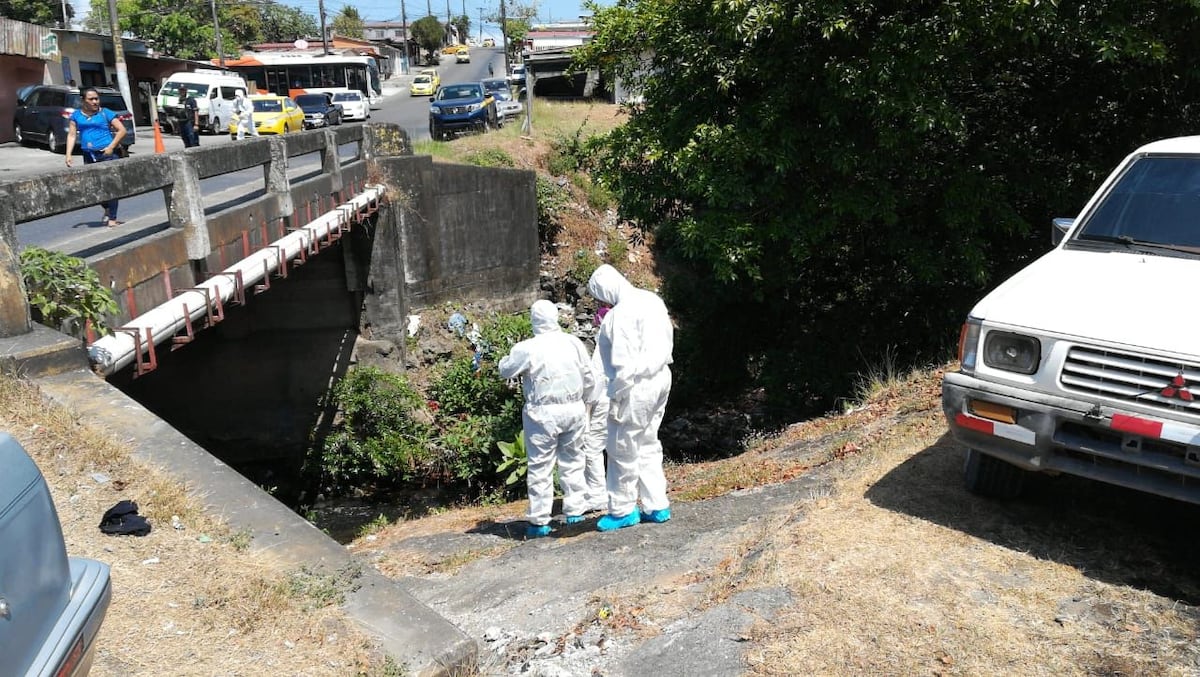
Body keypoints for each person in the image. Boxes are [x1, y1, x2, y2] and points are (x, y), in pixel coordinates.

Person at [498, 300, 596, 538]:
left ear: (533, 319)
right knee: (573, 460)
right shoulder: (573, 342)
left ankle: (540, 520)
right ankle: (575, 511)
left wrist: (502, 360)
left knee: (540, 466)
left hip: (542, 412)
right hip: (573, 407)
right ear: (555, 317)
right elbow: (589, 376)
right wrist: (586, 401)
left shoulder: (527, 348)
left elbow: (506, 370)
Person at [587, 264, 674, 531]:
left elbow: (622, 363)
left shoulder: (618, 315)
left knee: (621, 446)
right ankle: (656, 504)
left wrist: (616, 396)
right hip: (661, 376)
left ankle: (623, 509)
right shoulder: (652, 299)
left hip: (635, 385)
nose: (601, 302)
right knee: (647, 441)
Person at [64, 86, 127, 227]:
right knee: (94, 187)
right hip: (89, 154)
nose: (95, 102)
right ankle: (107, 208)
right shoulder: (76, 116)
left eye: (96, 99)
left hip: (107, 154)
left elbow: (122, 130)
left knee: (111, 186)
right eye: (91, 99)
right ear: (83, 100)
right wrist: (68, 154)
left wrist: (111, 147)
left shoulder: (105, 113)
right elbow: (72, 135)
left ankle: (112, 218)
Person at [580, 306, 611, 514]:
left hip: (603, 398)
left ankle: (598, 494)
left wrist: (587, 402)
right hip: (621, 396)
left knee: (592, 447)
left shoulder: (604, 341)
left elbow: (597, 376)